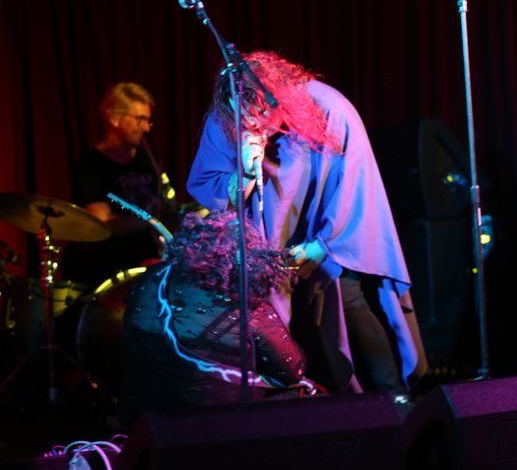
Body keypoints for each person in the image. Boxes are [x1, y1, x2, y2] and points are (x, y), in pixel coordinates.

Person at [187, 50, 426, 395]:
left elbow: (355, 187)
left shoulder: (328, 107)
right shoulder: (226, 116)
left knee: (348, 300)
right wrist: (245, 171)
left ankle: (394, 397)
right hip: (265, 247)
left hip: (329, 236)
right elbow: (215, 190)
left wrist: (323, 246)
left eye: (259, 115)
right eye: (244, 118)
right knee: (264, 317)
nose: (253, 124)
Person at [118, 210, 316, 429]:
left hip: (146, 420)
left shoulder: (152, 276)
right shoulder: (247, 305)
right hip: (217, 425)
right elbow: (292, 371)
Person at [61, 82, 174, 287]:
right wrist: (149, 219)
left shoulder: (147, 158)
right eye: (140, 119)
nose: (146, 128)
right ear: (113, 118)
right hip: (106, 267)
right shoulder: (92, 164)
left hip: (145, 261)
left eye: (148, 121)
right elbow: (100, 223)